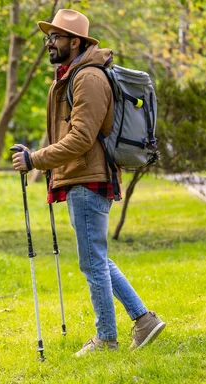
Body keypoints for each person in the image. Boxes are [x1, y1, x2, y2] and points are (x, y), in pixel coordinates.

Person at [11, 9, 165, 356]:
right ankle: (144, 320)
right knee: (97, 258)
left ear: (75, 41)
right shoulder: (71, 76)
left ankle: (106, 339)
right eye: (48, 37)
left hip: (87, 177)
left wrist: (36, 159)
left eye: (55, 37)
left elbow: (81, 138)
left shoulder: (88, 78)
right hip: (82, 176)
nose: (49, 43)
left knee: (93, 261)